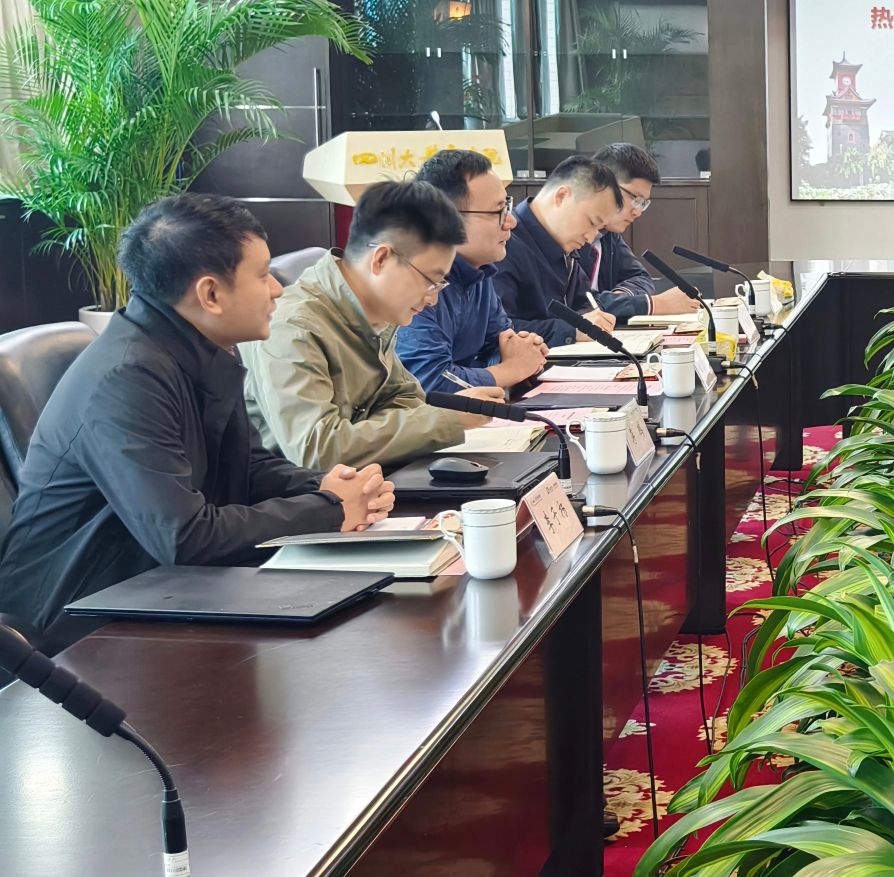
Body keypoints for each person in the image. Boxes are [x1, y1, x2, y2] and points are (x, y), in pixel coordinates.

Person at [0, 195, 393, 651]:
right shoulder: (126, 378)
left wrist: (326, 485)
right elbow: (184, 538)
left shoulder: (197, 349)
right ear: (210, 295)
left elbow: (247, 467)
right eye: (262, 275)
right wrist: (329, 509)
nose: (277, 290)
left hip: (159, 593)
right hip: (72, 627)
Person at [243, 180, 502, 471]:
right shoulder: (293, 326)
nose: (432, 299)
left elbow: (405, 399)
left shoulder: (375, 313)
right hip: (301, 492)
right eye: (431, 280)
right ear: (381, 259)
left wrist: (375, 430)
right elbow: (318, 450)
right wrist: (447, 420)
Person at [396, 149, 550, 393]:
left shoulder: (478, 272)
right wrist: (512, 370)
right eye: (498, 211)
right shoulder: (412, 278)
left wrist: (525, 353)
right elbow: (429, 382)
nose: (511, 221)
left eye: (508, 206)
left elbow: (499, 345)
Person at [496, 154, 627, 347]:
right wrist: (572, 330)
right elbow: (498, 332)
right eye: (592, 222)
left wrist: (595, 319)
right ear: (562, 196)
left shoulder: (563, 246)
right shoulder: (503, 245)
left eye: (599, 229)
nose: (591, 237)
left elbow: (584, 303)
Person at [580, 142, 695, 321]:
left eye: (643, 203)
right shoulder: (569, 236)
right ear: (601, 184)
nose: (638, 211)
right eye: (635, 198)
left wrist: (622, 298)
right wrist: (652, 304)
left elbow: (640, 277)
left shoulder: (608, 234)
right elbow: (579, 305)